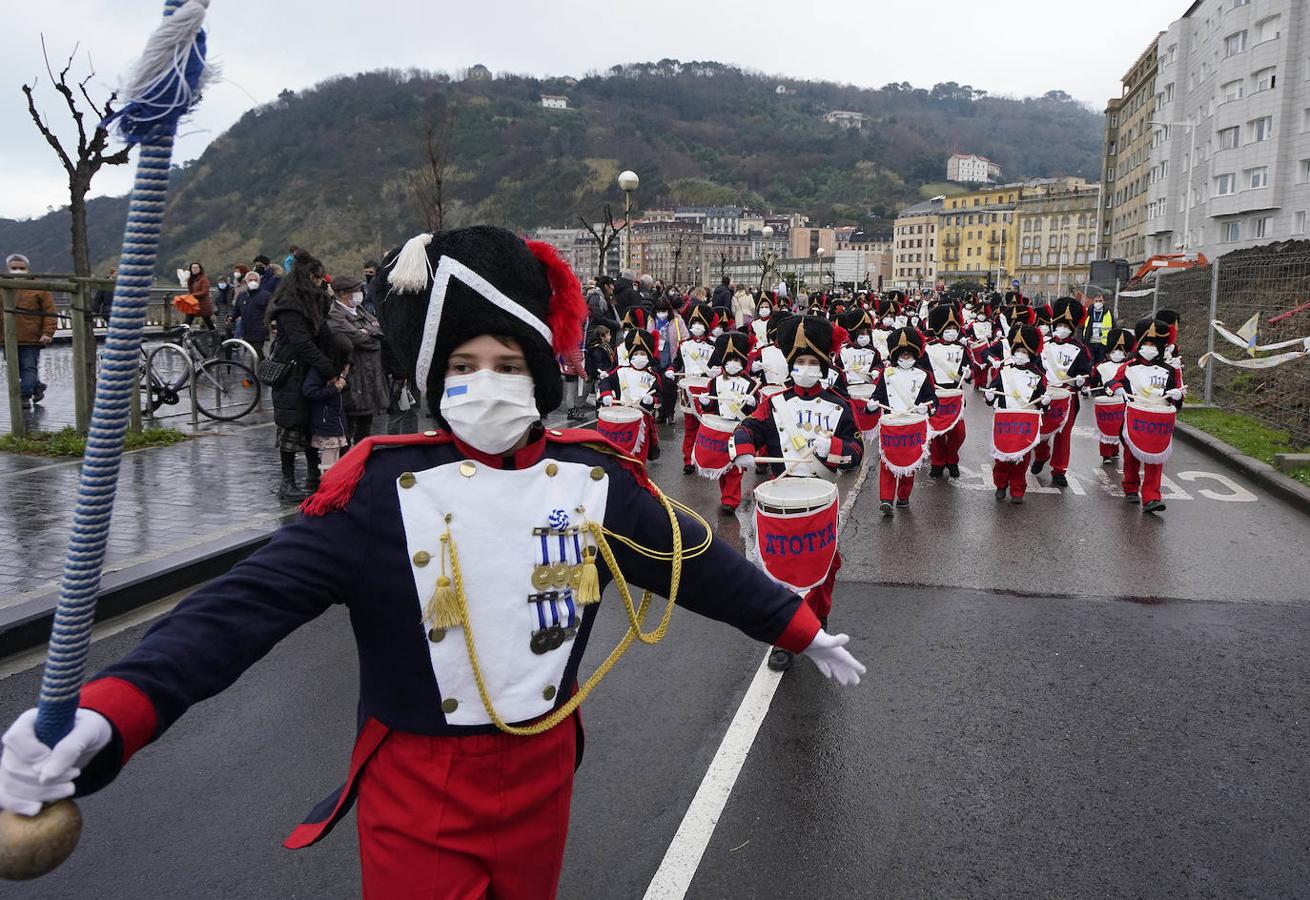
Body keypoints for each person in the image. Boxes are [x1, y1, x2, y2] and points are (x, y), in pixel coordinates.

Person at [0, 227, 863, 899]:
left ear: (537, 375)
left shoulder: (595, 477)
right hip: (418, 790)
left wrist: (798, 623)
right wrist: (111, 714)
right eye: (462, 365)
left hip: (542, 773)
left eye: (506, 364)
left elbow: (696, 559)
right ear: (433, 376)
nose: (486, 382)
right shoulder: (373, 492)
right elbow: (237, 611)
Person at [730, 314, 862, 672]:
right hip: (781, 499)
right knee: (778, 574)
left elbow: (856, 451)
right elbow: (748, 426)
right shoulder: (774, 402)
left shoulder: (839, 405)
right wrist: (742, 447)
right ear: (791, 365)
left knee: (823, 569)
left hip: (821, 498)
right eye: (800, 362)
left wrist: (832, 445)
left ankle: (815, 626)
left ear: (823, 366)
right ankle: (785, 638)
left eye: (812, 363)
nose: (805, 368)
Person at [267, 250, 336, 502]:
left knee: (310, 425)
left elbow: (322, 330)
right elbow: (302, 342)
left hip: (307, 369)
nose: (321, 283)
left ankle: (312, 476)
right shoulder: (290, 305)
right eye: (319, 279)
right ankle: (287, 482)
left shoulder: (311, 300)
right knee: (291, 427)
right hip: (291, 371)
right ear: (309, 277)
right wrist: (328, 367)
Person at [1110, 318, 1185, 514]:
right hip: (1134, 415)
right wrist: (1117, 389)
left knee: (1155, 458)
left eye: (1154, 345)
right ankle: (1130, 486)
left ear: (1160, 348)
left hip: (1158, 417)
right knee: (1131, 454)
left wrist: (1177, 395)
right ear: (1140, 345)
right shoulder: (1129, 367)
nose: (1149, 348)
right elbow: (1113, 381)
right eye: (1146, 344)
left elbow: (1177, 392)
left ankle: (1152, 496)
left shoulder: (1169, 370)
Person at [868, 328, 938, 516]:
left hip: (913, 425)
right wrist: (872, 404)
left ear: (915, 355)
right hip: (891, 425)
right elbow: (878, 395)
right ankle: (886, 499)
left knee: (909, 463)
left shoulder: (924, 375)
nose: (905, 358)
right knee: (887, 462)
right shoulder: (886, 374)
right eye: (902, 354)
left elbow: (934, 400)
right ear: (896, 355)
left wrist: (927, 408)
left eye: (909, 354)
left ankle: (904, 496)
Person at [1032, 297, 1094, 487]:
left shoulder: (1080, 349)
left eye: (1066, 325)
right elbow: (1034, 368)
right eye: (1059, 324)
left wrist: (1084, 380)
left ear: (1072, 327)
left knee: (1063, 435)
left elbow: (1086, 371)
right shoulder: (1043, 346)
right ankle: (1042, 455)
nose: (1062, 328)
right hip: (1045, 395)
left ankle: (1059, 470)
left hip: (1068, 397)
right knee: (1041, 430)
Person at [985, 324, 1048, 504]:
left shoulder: (1038, 375)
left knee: (1022, 458)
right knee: (1002, 457)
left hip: (1025, 422)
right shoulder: (1004, 371)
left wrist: (1045, 403)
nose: (1020, 354)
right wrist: (989, 396)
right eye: (1017, 350)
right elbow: (993, 392)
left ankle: (1018, 489)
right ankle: (1000, 485)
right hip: (1006, 420)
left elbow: (1042, 400)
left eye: (1024, 352)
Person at [326, 274, 391, 445]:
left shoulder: (360, 309)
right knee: (347, 430)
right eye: (356, 291)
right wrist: (369, 333)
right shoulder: (334, 315)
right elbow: (360, 339)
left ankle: (363, 465)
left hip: (371, 376)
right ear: (345, 294)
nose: (360, 293)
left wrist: (368, 333)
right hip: (353, 378)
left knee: (365, 429)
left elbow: (382, 331)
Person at [700, 330, 758, 514]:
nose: (732, 364)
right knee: (722, 467)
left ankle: (730, 501)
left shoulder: (750, 383)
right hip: (720, 429)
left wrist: (752, 402)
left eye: (736, 361)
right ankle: (726, 496)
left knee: (736, 468)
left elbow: (756, 412)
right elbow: (710, 408)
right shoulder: (715, 382)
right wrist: (705, 402)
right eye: (729, 361)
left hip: (740, 429)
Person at [598, 329, 665, 459]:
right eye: (636, 353)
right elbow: (605, 381)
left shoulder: (653, 377)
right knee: (618, 454)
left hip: (641, 420)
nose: (639, 357)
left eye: (642, 353)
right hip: (620, 417)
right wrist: (606, 395)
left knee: (639, 457)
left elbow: (660, 397)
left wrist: (652, 400)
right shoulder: (621, 371)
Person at [0, 253, 56, 409]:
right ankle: (36, 385)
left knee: (28, 366)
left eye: (21, 268)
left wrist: (47, 332)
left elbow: (50, 312)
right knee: (14, 367)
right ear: (8, 269)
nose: (18, 271)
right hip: (7, 337)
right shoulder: (2, 286)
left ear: (28, 269)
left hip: (31, 337)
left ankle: (24, 396)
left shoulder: (40, 288)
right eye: (14, 268)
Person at [924, 304, 969, 479]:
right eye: (948, 328)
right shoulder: (929, 349)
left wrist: (970, 372)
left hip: (955, 395)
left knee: (958, 433)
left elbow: (968, 369)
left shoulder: (961, 348)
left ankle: (952, 459)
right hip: (936, 395)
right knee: (937, 433)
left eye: (954, 328)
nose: (952, 331)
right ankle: (937, 462)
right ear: (940, 329)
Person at [673, 302, 718, 473]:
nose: (696, 327)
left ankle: (702, 457)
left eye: (700, 323)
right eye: (694, 323)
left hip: (707, 389)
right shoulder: (684, 345)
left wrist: (717, 371)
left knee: (705, 426)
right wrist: (671, 370)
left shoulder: (715, 345)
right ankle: (688, 460)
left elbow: (720, 367)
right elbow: (676, 363)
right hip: (688, 389)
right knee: (690, 427)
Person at [302, 332, 351, 474]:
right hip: (326, 421)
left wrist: (343, 380)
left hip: (335, 420)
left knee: (335, 451)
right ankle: (327, 481)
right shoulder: (319, 371)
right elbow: (309, 392)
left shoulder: (338, 369)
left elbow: (344, 387)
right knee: (329, 454)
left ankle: (332, 478)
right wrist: (333, 389)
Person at [1089, 327, 1133, 465]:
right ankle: (1106, 453)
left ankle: (1115, 450)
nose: (1117, 354)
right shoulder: (1101, 366)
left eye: (1121, 351)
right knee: (1105, 427)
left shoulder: (1129, 366)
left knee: (1120, 426)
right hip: (1106, 400)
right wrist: (1088, 387)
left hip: (1122, 400)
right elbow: (1093, 380)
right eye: (1114, 351)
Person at [231, 270, 272, 357]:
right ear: (246, 281)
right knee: (252, 353)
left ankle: (260, 369)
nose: (253, 282)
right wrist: (231, 317)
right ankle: (255, 369)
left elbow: (272, 311)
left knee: (256, 352)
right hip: (246, 330)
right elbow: (236, 310)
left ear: (259, 281)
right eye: (250, 280)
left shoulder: (266, 295)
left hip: (260, 330)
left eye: (255, 280)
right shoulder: (242, 296)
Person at [1082, 294, 1115, 364]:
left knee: (1100, 364)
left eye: (1100, 301)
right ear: (1093, 301)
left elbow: (1113, 327)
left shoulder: (1108, 312)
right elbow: (1082, 326)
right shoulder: (1088, 311)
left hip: (1102, 344)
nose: (1098, 303)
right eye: (1096, 301)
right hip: (1090, 342)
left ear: (1104, 301)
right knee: (1090, 363)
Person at [184, 262, 214, 330]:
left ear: (200, 269)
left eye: (196, 268)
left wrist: (192, 295)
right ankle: (181, 337)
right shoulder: (191, 279)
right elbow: (191, 291)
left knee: (208, 321)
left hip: (203, 304)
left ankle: (215, 336)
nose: (194, 269)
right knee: (187, 321)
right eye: (192, 268)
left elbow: (204, 291)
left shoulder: (204, 279)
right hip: (193, 304)